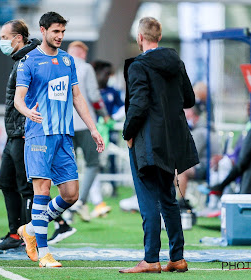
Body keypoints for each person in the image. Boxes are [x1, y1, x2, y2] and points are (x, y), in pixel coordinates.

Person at [13, 12, 105, 268]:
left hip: (64, 135)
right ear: (43, 31)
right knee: (42, 191)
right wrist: (27, 111)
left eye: (63, 32)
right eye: (55, 31)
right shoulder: (29, 61)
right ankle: (44, 253)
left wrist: (93, 128)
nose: (60, 36)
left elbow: (77, 97)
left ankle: (30, 229)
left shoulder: (67, 60)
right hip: (39, 134)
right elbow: (18, 98)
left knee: (71, 194)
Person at [119, 17, 198, 274]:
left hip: (147, 142)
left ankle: (151, 259)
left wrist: (128, 133)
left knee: (148, 201)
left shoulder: (138, 66)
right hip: (172, 142)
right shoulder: (176, 62)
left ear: (140, 38)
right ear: (159, 37)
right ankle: (177, 257)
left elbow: (139, 105)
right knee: (168, 200)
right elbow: (189, 99)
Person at [0, 19, 39, 251]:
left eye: (4, 37)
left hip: (23, 134)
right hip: (13, 133)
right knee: (5, 182)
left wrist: (27, 128)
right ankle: (15, 233)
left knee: (25, 186)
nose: (2, 41)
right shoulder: (20, 60)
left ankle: (28, 235)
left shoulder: (29, 61)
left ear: (18, 38)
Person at [66, 41, 111, 221]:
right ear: (82, 53)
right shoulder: (85, 68)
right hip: (85, 124)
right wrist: (104, 114)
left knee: (69, 167)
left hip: (64, 124)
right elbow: (93, 96)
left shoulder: (58, 66)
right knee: (93, 163)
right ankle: (81, 201)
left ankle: (67, 208)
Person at [177, 105, 222, 209]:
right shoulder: (207, 128)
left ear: (193, 115)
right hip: (208, 165)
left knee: (181, 171)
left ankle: (181, 202)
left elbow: (189, 154)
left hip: (206, 166)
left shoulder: (200, 132)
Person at [92, 60, 125, 197]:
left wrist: (113, 118)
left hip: (110, 131)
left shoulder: (113, 92)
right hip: (94, 130)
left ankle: (114, 187)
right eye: (106, 74)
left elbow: (123, 107)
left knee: (112, 159)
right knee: (93, 161)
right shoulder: (91, 90)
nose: (107, 78)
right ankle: (93, 190)